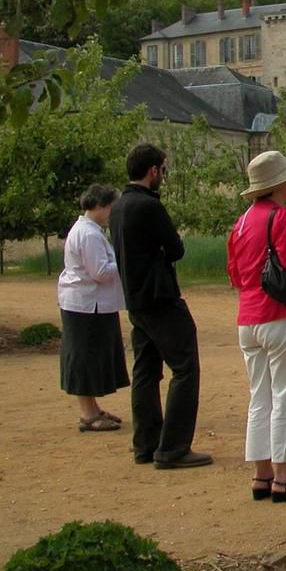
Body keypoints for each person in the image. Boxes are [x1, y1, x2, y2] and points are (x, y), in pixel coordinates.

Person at [227, 151, 286, 501]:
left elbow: (235, 273)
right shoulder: (281, 217)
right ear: (280, 183)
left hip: (248, 316)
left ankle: (262, 473)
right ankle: (285, 476)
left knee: (260, 397)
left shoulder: (241, 221)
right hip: (281, 314)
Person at [109, 143, 210, 469]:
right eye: (163, 170)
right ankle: (173, 448)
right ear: (153, 171)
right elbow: (176, 248)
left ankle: (146, 444)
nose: (163, 176)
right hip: (160, 298)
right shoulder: (148, 206)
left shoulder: (119, 206)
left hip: (136, 299)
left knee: (146, 370)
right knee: (185, 368)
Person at [58, 184, 129, 433]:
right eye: (111, 207)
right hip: (86, 305)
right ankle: (88, 414)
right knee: (84, 358)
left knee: (89, 356)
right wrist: (122, 260)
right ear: (99, 205)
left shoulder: (89, 231)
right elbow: (99, 272)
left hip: (89, 304)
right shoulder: (88, 234)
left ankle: (92, 408)